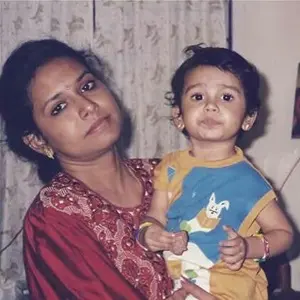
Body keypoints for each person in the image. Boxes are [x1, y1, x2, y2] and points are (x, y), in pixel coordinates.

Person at [0, 39, 216, 300]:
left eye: (87, 86)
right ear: (38, 140)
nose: (88, 106)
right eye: (59, 107)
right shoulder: (54, 218)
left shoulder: (165, 172)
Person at [136, 44, 294, 299]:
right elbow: (154, 217)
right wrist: (148, 234)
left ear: (248, 118)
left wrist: (247, 246)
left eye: (227, 97)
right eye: (198, 96)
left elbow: (284, 235)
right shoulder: (170, 167)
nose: (211, 106)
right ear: (178, 115)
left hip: (234, 291)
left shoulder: (249, 181)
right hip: (182, 285)